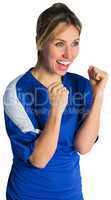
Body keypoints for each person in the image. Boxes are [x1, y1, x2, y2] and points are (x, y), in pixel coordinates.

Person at [3, 3, 108, 200]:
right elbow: (38, 159)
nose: (69, 55)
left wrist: (98, 95)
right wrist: (56, 110)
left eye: (75, 43)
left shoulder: (81, 85)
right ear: (40, 43)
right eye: (60, 44)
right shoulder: (17, 91)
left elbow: (83, 147)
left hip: (71, 193)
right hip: (27, 194)